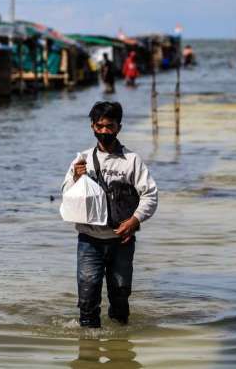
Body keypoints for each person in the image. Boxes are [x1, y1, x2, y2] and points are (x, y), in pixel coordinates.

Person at [62, 101, 158, 328]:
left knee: (121, 295)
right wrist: (76, 178)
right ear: (92, 127)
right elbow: (66, 196)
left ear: (119, 127)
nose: (104, 131)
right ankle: (88, 347)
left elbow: (150, 196)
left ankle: (120, 346)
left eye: (110, 126)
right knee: (87, 297)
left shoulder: (132, 161)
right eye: (100, 126)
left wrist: (134, 221)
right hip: (88, 241)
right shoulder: (81, 161)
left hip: (121, 241)